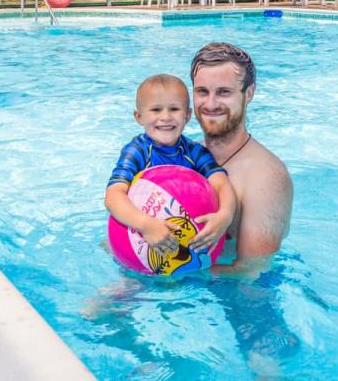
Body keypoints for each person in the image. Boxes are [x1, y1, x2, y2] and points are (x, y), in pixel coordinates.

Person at [105, 74, 236, 265]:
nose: (165, 117)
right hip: (140, 238)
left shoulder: (195, 152)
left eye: (174, 109)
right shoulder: (137, 152)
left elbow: (222, 183)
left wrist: (225, 215)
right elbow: (113, 196)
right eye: (156, 110)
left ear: (187, 115)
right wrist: (147, 225)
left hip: (186, 241)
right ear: (139, 117)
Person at [190, 43, 293, 269]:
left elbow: (251, 273)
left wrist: (170, 276)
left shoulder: (266, 177)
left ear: (249, 94)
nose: (211, 104)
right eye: (202, 92)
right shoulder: (186, 157)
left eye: (224, 92)